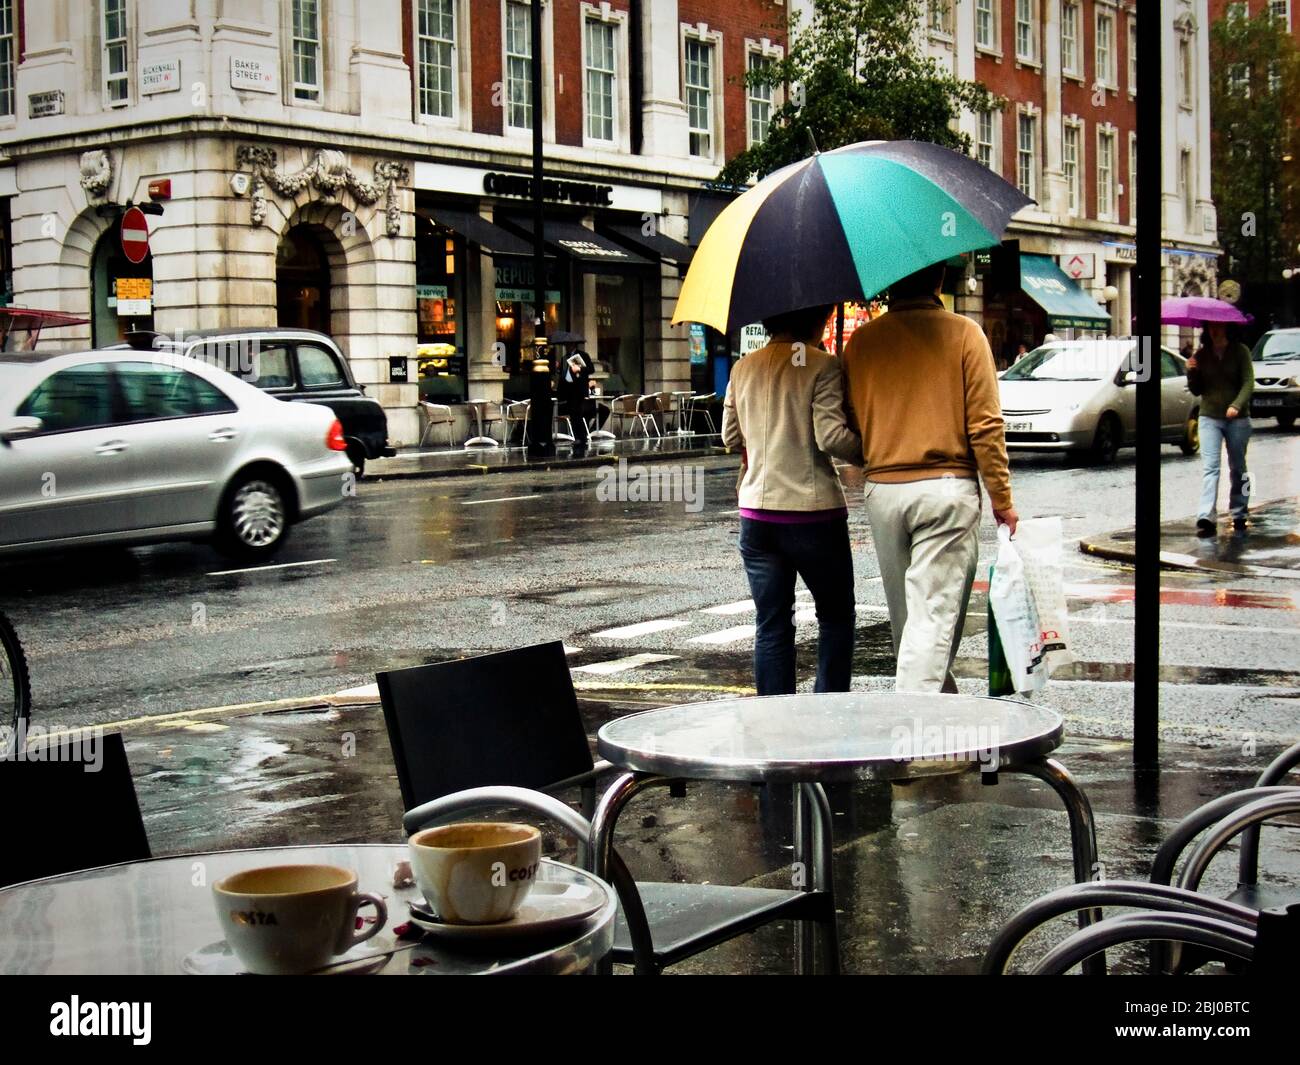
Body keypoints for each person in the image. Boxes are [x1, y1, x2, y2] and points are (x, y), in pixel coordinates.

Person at [841, 261, 1017, 693]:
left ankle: (938, 706)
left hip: (883, 491)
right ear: (939, 278)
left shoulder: (861, 342)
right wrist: (1002, 497)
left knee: (910, 619)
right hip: (945, 488)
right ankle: (913, 728)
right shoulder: (964, 334)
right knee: (935, 613)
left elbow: (848, 422)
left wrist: (880, 447)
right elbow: (986, 426)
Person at [722, 304, 862, 695]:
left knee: (772, 623)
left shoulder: (743, 368)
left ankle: (774, 718)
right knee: (835, 616)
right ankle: (828, 708)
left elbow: (731, 438)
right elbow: (831, 437)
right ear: (816, 320)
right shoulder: (822, 365)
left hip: (757, 517)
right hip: (812, 514)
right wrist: (874, 453)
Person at [1186, 321, 1254, 535]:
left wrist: (1237, 404)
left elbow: (1248, 382)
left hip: (1238, 418)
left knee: (1239, 468)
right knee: (1211, 468)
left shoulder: (1240, 352)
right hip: (1209, 417)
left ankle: (1240, 511)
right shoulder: (1201, 355)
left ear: (1227, 329)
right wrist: (1191, 372)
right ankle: (1206, 516)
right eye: (1211, 327)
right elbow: (1196, 391)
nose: (1214, 331)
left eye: (1219, 327)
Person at [556, 342, 595, 453]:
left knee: (578, 413)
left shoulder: (583, 355)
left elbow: (591, 369)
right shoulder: (564, 358)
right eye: (566, 346)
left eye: (568, 345)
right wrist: (558, 368)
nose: (567, 347)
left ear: (573, 345)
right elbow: (563, 374)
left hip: (579, 390)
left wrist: (579, 369)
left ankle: (581, 438)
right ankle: (577, 438)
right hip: (568, 390)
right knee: (573, 415)